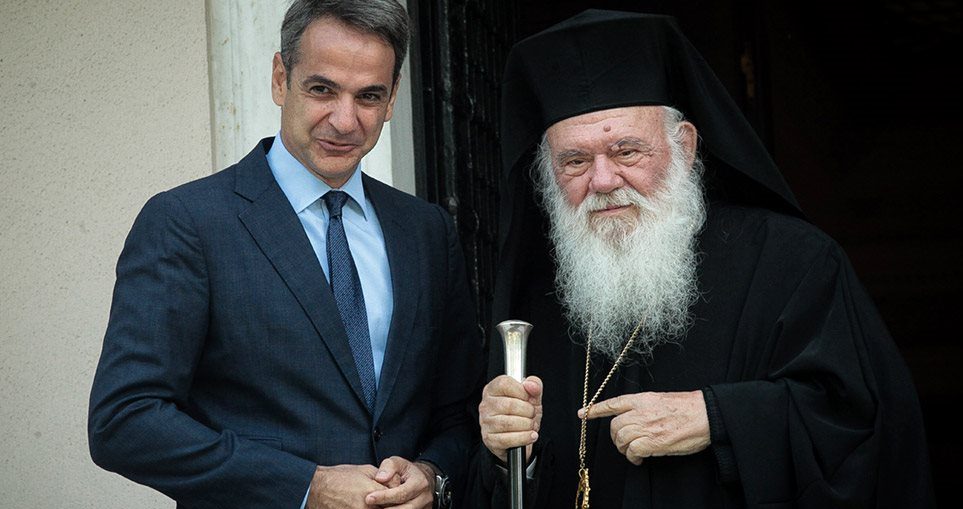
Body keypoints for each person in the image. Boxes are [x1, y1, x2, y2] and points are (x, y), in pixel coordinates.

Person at [470, 10, 934, 508]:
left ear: (684, 146)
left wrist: (716, 417)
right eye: (576, 161)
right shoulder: (540, 295)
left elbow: (862, 425)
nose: (602, 181)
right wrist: (510, 455)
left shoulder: (793, 261)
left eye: (627, 152)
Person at [88, 1, 481, 508]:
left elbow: (458, 413)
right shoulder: (188, 222)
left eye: (368, 96)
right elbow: (125, 420)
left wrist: (433, 473)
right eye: (322, 90)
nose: (345, 121)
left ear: (392, 98)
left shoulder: (425, 231)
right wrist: (305, 486)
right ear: (280, 79)